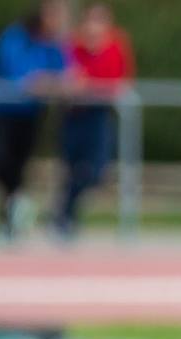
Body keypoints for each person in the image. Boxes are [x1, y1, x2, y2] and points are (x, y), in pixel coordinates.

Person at [0, 2, 71, 244]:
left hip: (30, 114)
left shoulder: (52, 44)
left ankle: (10, 223)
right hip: (1, 111)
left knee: (18, 168)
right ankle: (15, 211)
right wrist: (39, 82)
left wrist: (52, 82)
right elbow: (15, 74)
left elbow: (65, 74)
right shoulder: (15, 37)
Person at [53, 4, 134, 240]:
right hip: (73, 115)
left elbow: (120, 80)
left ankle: (63, 211)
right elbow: (66, 79)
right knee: (71, 168)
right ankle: (66, 217)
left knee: (96, 170)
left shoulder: (115, 47)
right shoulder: (73, 47)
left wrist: (90, 86)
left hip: (98, 116)